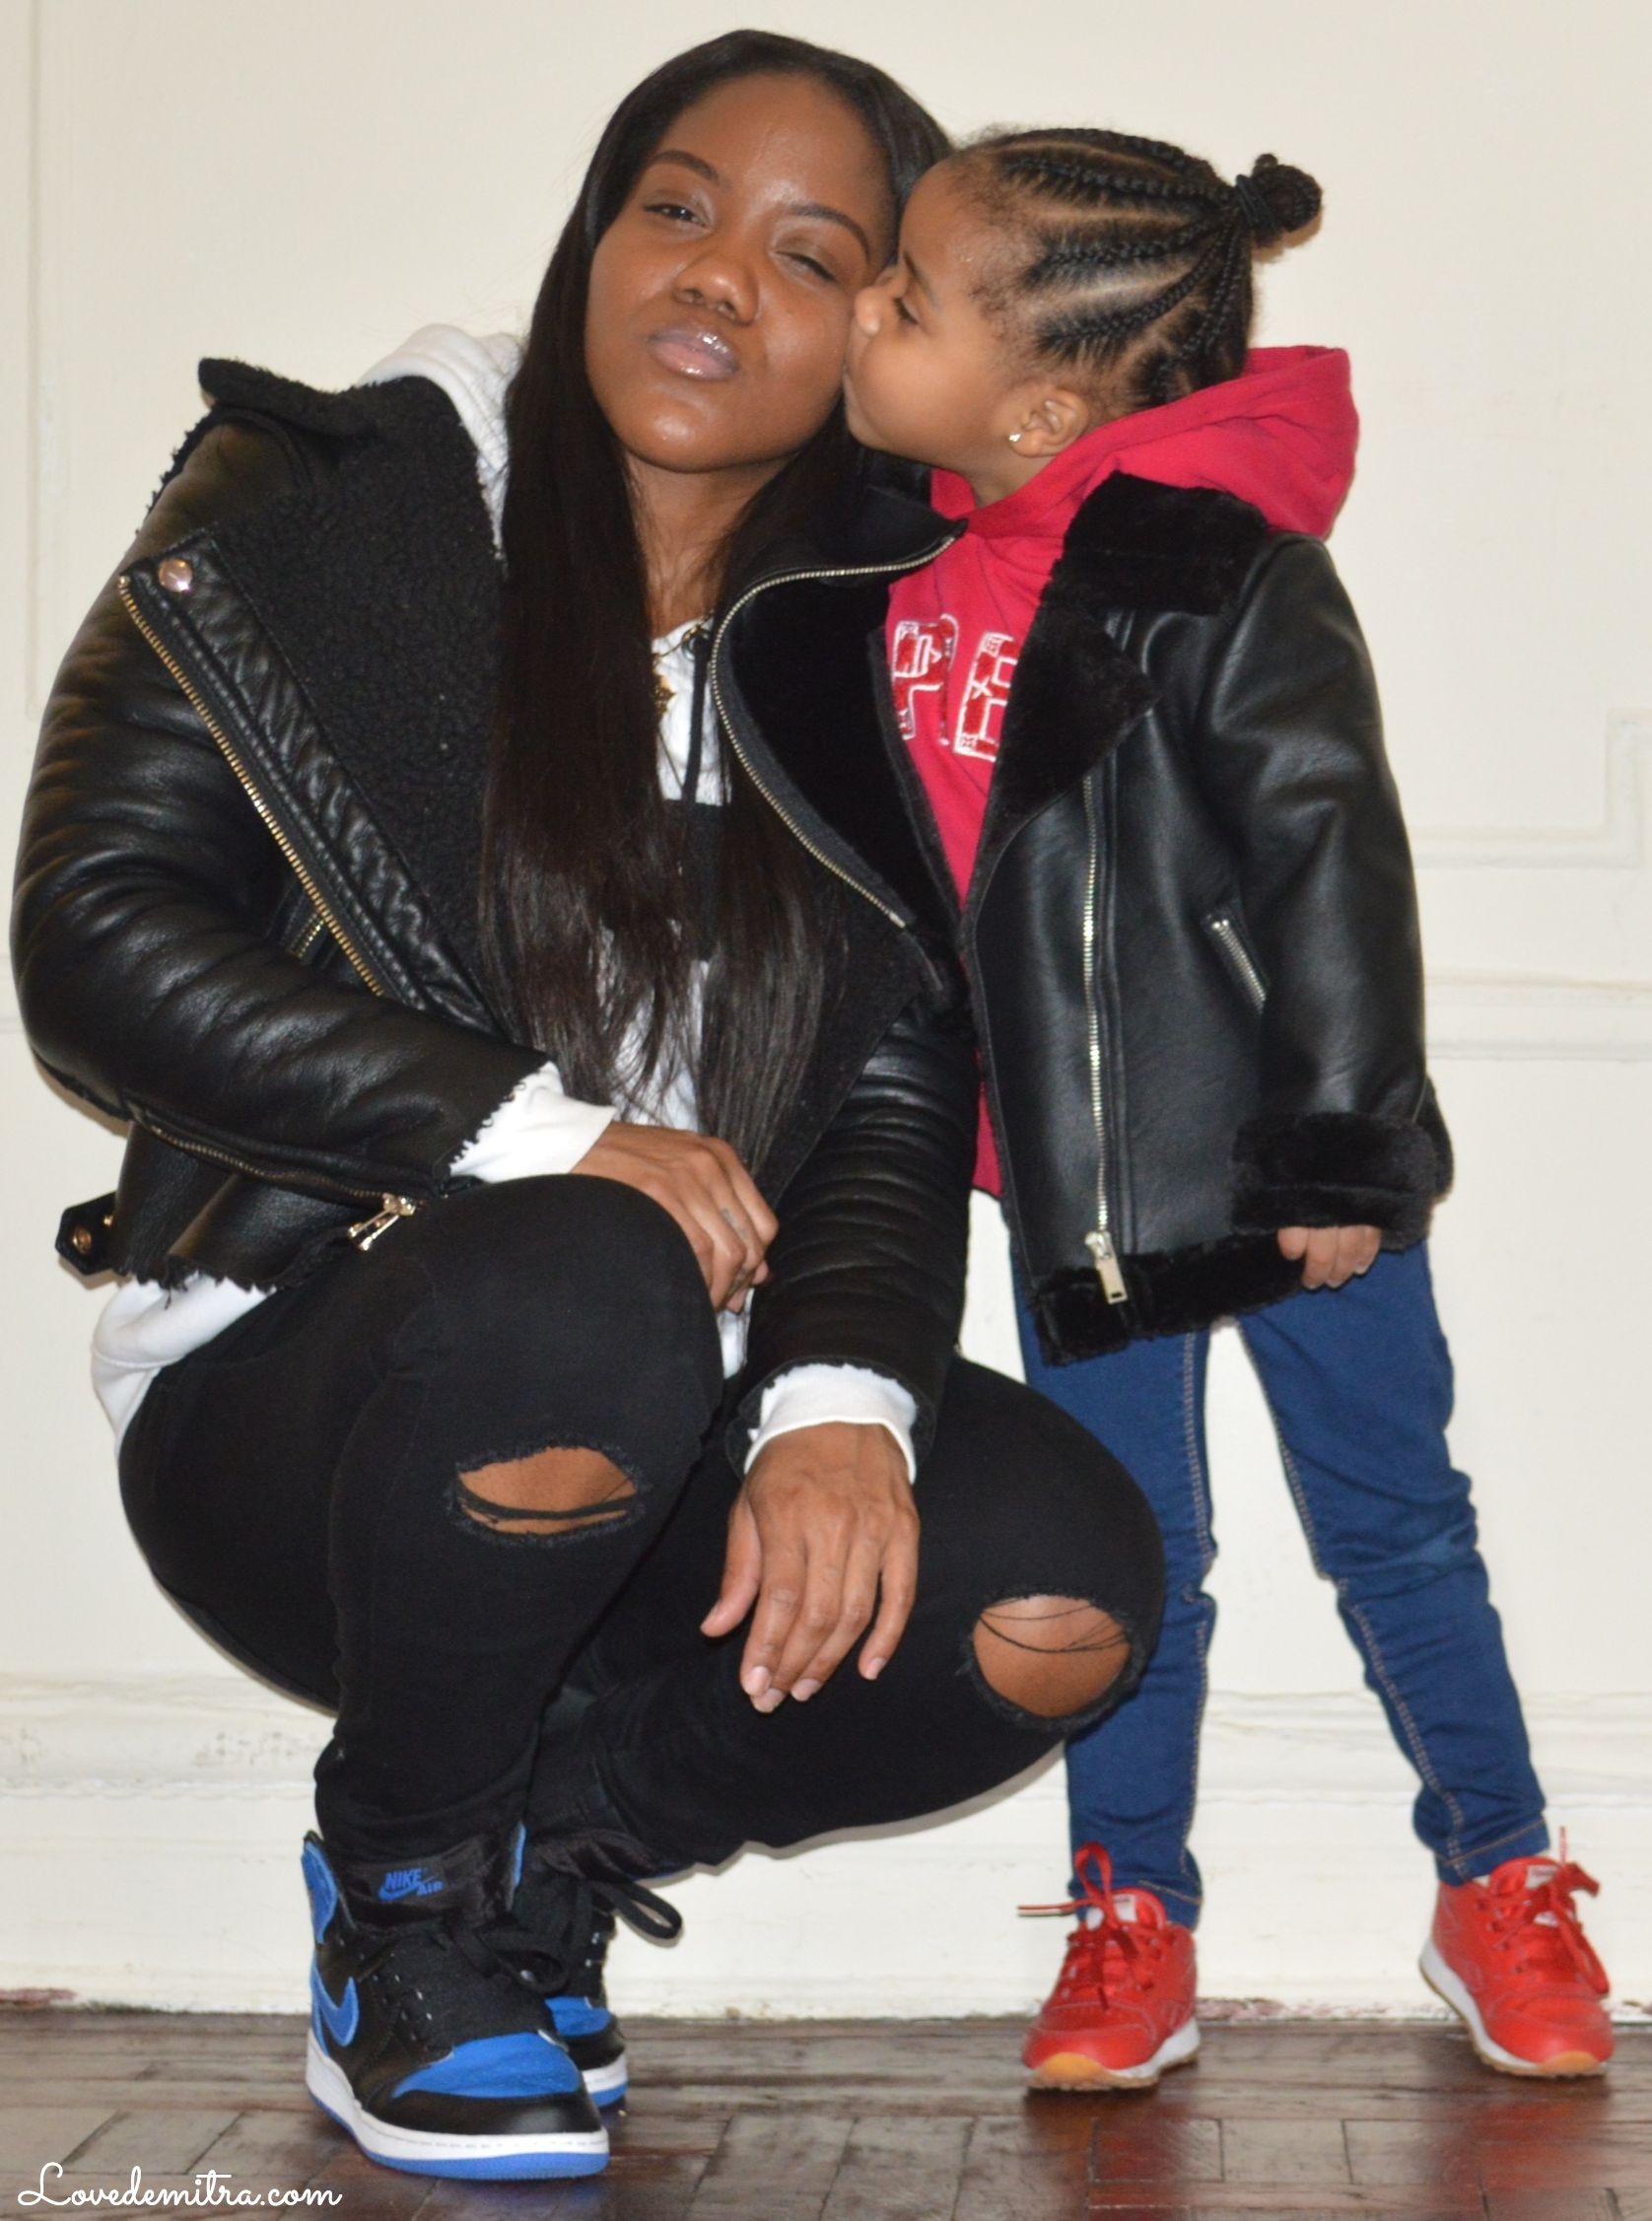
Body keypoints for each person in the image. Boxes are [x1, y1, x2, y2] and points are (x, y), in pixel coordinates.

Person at [11, 41, 1166, 2182]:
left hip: (681, 1407)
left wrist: (839, 1394)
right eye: (676, 206)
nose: (718, 275)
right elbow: (94, 930)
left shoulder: (880, 636)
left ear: (875, 333)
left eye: (809, 255)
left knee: (1060, 1592)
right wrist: (530, 1129)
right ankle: (407, 1892)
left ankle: (544, 1860)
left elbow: (897, 1080)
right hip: (315, 1401)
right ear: (593, 234)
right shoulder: (332, 500)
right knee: (587, 1265)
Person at [842, 125, 1613, 2087]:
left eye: (905, 298)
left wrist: (1341, 1145)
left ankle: (1499, 1874)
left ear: (1040, 400)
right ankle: (1132, 1912)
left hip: (1286, 1166)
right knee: (1129, 1562)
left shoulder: (1215, 568)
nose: (862, 313)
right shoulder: (885, 560)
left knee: (1396, 1525)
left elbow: (1332, 856)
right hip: (1076, 1176)